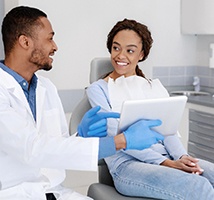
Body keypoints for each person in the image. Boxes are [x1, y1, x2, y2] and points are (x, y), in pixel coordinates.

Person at [0, 7, 165, 200]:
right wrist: (122, 141)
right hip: (14, 194)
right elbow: (33, 148)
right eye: (49, 38)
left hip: (54, 192)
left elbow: (57, 148)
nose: (55, 46)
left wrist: (80, 137)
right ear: (25, 41)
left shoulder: (46, 88)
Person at [86, 18, 214, 199]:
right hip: (128, 165)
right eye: (116, 48)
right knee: (197, 187)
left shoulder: (152, 87)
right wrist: (164, 162)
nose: (120, 56)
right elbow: (117, 136)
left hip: (166, 157)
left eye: (130, 50)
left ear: (141, 54)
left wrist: (181, 157)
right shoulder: (98, 89)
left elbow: (168, 131)